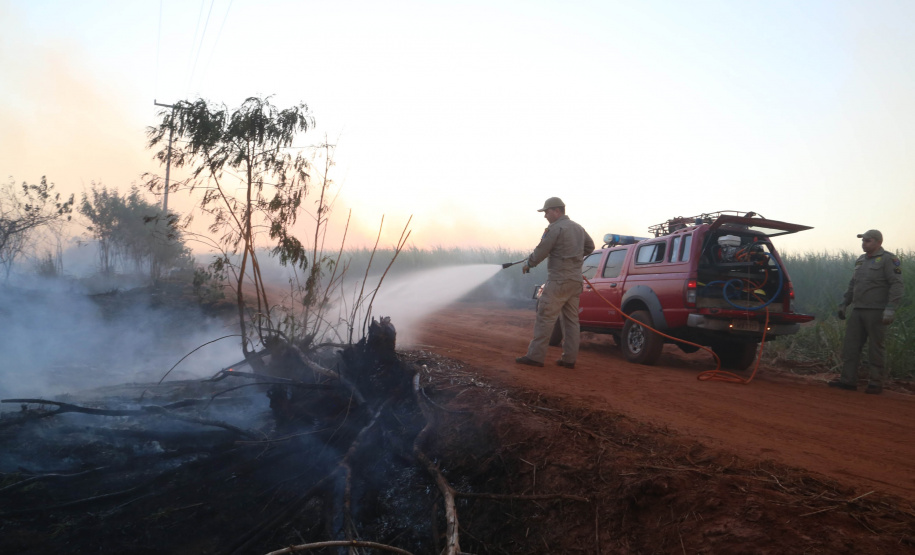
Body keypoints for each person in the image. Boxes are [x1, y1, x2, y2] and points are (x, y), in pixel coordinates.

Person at [515, 197, 595, 369]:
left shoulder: (555, 228)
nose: (545, 215)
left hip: (558, 280)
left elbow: (542, 250)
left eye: (547, 211)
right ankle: (569, 360)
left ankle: (535, 357)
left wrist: (529, 264)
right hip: (575, 281)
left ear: (557, 211)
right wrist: (574, 256)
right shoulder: (578, 228)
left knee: (545, 316)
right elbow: (590, 247)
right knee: (571, 322)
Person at [829, 229, 904, 394]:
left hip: (877, 310)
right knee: (851, 346)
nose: (864, 243)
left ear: (878, 242)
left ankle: (875, 383)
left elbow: (896, 285)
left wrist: (890, 308)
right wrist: (844, 303)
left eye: (868, 240)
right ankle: (848, 381)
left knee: (875, 348)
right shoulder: (861, 260)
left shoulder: (888, 260)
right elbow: (853, 284)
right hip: (858, 309)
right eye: (863, 240)